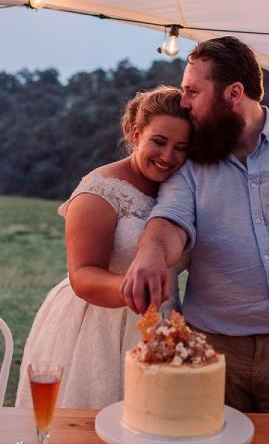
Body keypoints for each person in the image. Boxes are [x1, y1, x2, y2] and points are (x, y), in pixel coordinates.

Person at [121, 36, 269, 413]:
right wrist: (151, 253)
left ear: (233, 93)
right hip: (214, 350)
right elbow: (171, 220)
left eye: (192, 91)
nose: (184, 102)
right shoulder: (190, 159)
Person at [15, 86, 192, 409]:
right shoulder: (100, 189)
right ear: (137, 134)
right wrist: (137, 287)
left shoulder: (182, 190)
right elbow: (82, 274)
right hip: (97, 328)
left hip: (164, 325)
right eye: (159, 142)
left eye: (181, 147)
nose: (168, 156)